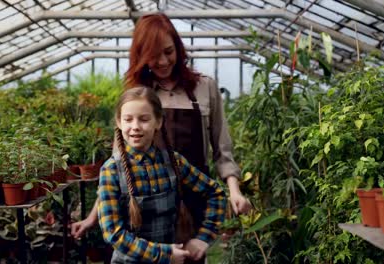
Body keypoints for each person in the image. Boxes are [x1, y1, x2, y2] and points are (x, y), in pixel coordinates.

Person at [72, 12, 252, 261]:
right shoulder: (139, 96)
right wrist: (93, 218)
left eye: (168, 51)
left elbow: (223, 149)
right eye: (154, 56)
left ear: (178, 48)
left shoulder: (204, 87)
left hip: (193, 196)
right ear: (142, 56)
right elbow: (119, 162)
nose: (163, 61)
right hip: (145, 206)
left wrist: (234, 191)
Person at [97, 86, 226, 263]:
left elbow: (215, 193)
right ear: (119, 123)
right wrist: (164, 254)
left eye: (144, 119)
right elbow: (113, 233)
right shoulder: (111, 170)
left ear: (158, 122)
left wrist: (204, 237)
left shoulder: (174, 163)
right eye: (128, 119)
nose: (135, 127)